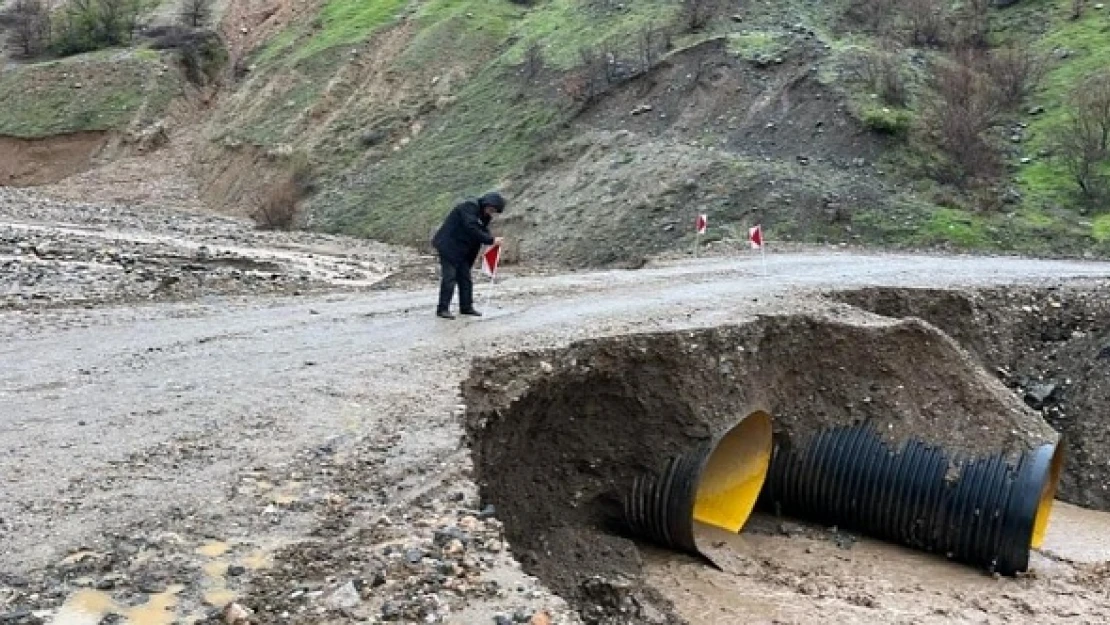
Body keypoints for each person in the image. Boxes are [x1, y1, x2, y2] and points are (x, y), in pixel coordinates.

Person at [431, 191, 506, 319]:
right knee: (450, 277)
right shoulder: (469, 207)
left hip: (463, 250)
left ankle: (466, 307)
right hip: (448, 246)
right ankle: (442, 309)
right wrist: (490, 240)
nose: (491, 212)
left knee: (465, 278)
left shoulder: (484, 216)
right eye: (491, 209)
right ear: (486, 203)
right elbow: (471, 228)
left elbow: (482, 231)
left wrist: (491, 240)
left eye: (494, 211)